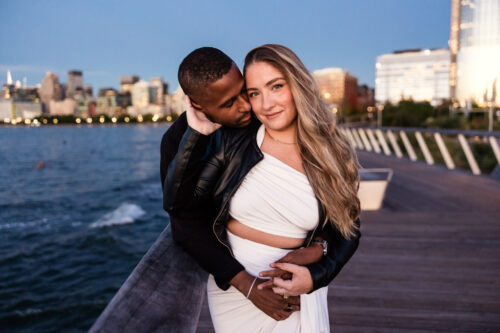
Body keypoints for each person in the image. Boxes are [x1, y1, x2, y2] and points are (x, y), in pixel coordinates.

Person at [163, 45, 361, 332]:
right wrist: (246, 283)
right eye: (255, 92)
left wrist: (317, 266)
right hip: (235, 289)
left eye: (276, 86)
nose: (260, 105)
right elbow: (181, 212)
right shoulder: (229, 140)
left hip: (294, 286)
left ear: (297, 84)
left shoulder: (330, 151)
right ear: (198, 105)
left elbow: (349, 225)